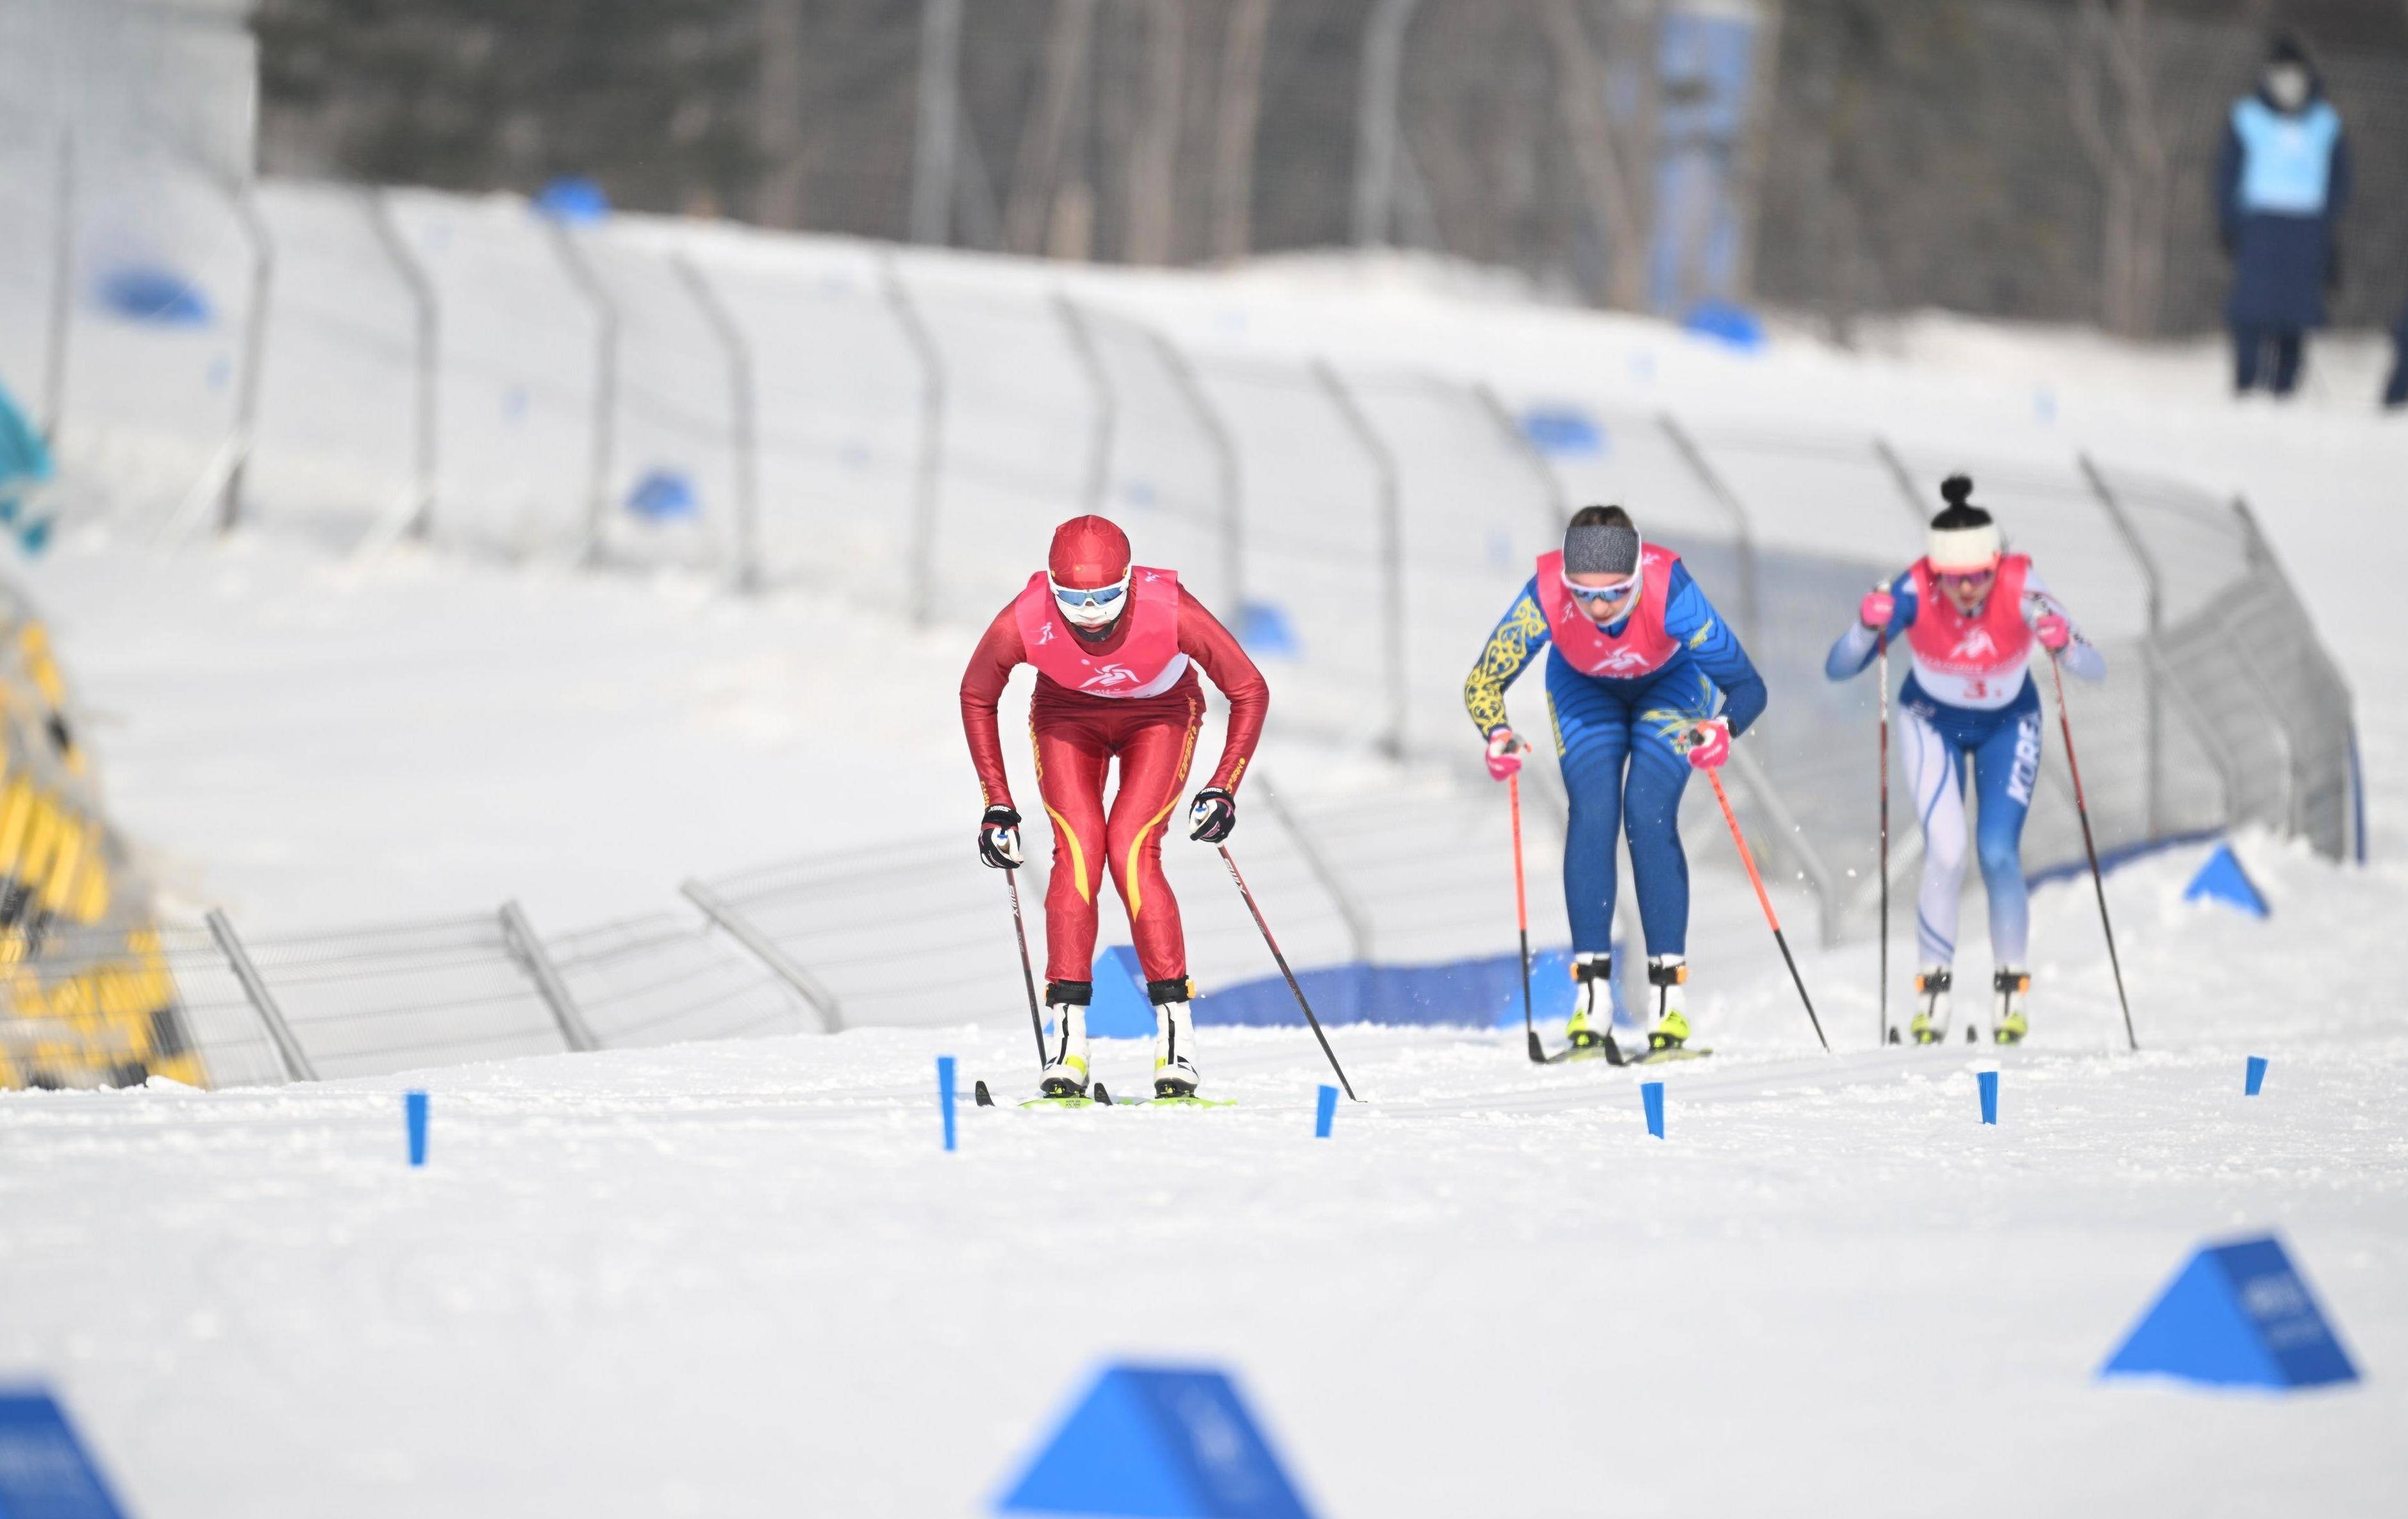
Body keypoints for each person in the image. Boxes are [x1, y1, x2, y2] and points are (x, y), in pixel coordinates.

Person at [959, 515, 1268, 1100]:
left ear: (1130, 578)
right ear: (1051, 586)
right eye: (1074, 597)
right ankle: (1067, 1043)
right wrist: (996, 804)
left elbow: (1249, 688)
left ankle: (1176, 1040)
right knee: (1078, 852)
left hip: (1160, 714)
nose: (1092, 610)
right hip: (1067, 716)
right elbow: (977, 695)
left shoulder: (1172, 607)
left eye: (1107, 594)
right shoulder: (1022, 618)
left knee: (1130, 849)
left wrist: (1223, 785)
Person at [1463, 504, 1765, 1058]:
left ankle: (1667, 1007)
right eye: (1584, 594)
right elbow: (1483, 682)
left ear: (1636, 578)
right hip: (1585, 690)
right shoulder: (1546, 592)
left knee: (1647, 815)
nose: (1599, 608)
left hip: (1670, 685)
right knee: (1593, 813)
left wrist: (1723, 727)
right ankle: (1592, 1002)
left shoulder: (1669, 588)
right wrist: (1497, 733)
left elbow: (1747, 686)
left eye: (1615, 594)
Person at [1823, 476, 2104, 1045]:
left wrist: (2064, 644)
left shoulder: (2023, 584)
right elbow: (1837, 666)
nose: (1968, 590)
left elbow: (2093, 667)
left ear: (1997, 564)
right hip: (1931, 722)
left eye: (1980, 576)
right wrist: (1864, 627)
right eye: (1953, 580)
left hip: (2008, 723)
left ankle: (2010, 999)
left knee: (1998, 852)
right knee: (1947, 852)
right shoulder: (1911, 587)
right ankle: (1933, 998)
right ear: (1935, 572)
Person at [2217, 35, 2351, 399]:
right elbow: (2227, 173)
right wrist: (2229, 222)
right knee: (2251, 310)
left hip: (2307, 227)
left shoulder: (2325, 122)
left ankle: (2284, 388)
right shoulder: (2247, 117)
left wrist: (2327, 222)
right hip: (2259, 223)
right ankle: (2245, 385)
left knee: (2297, 312)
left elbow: (2340, 177)